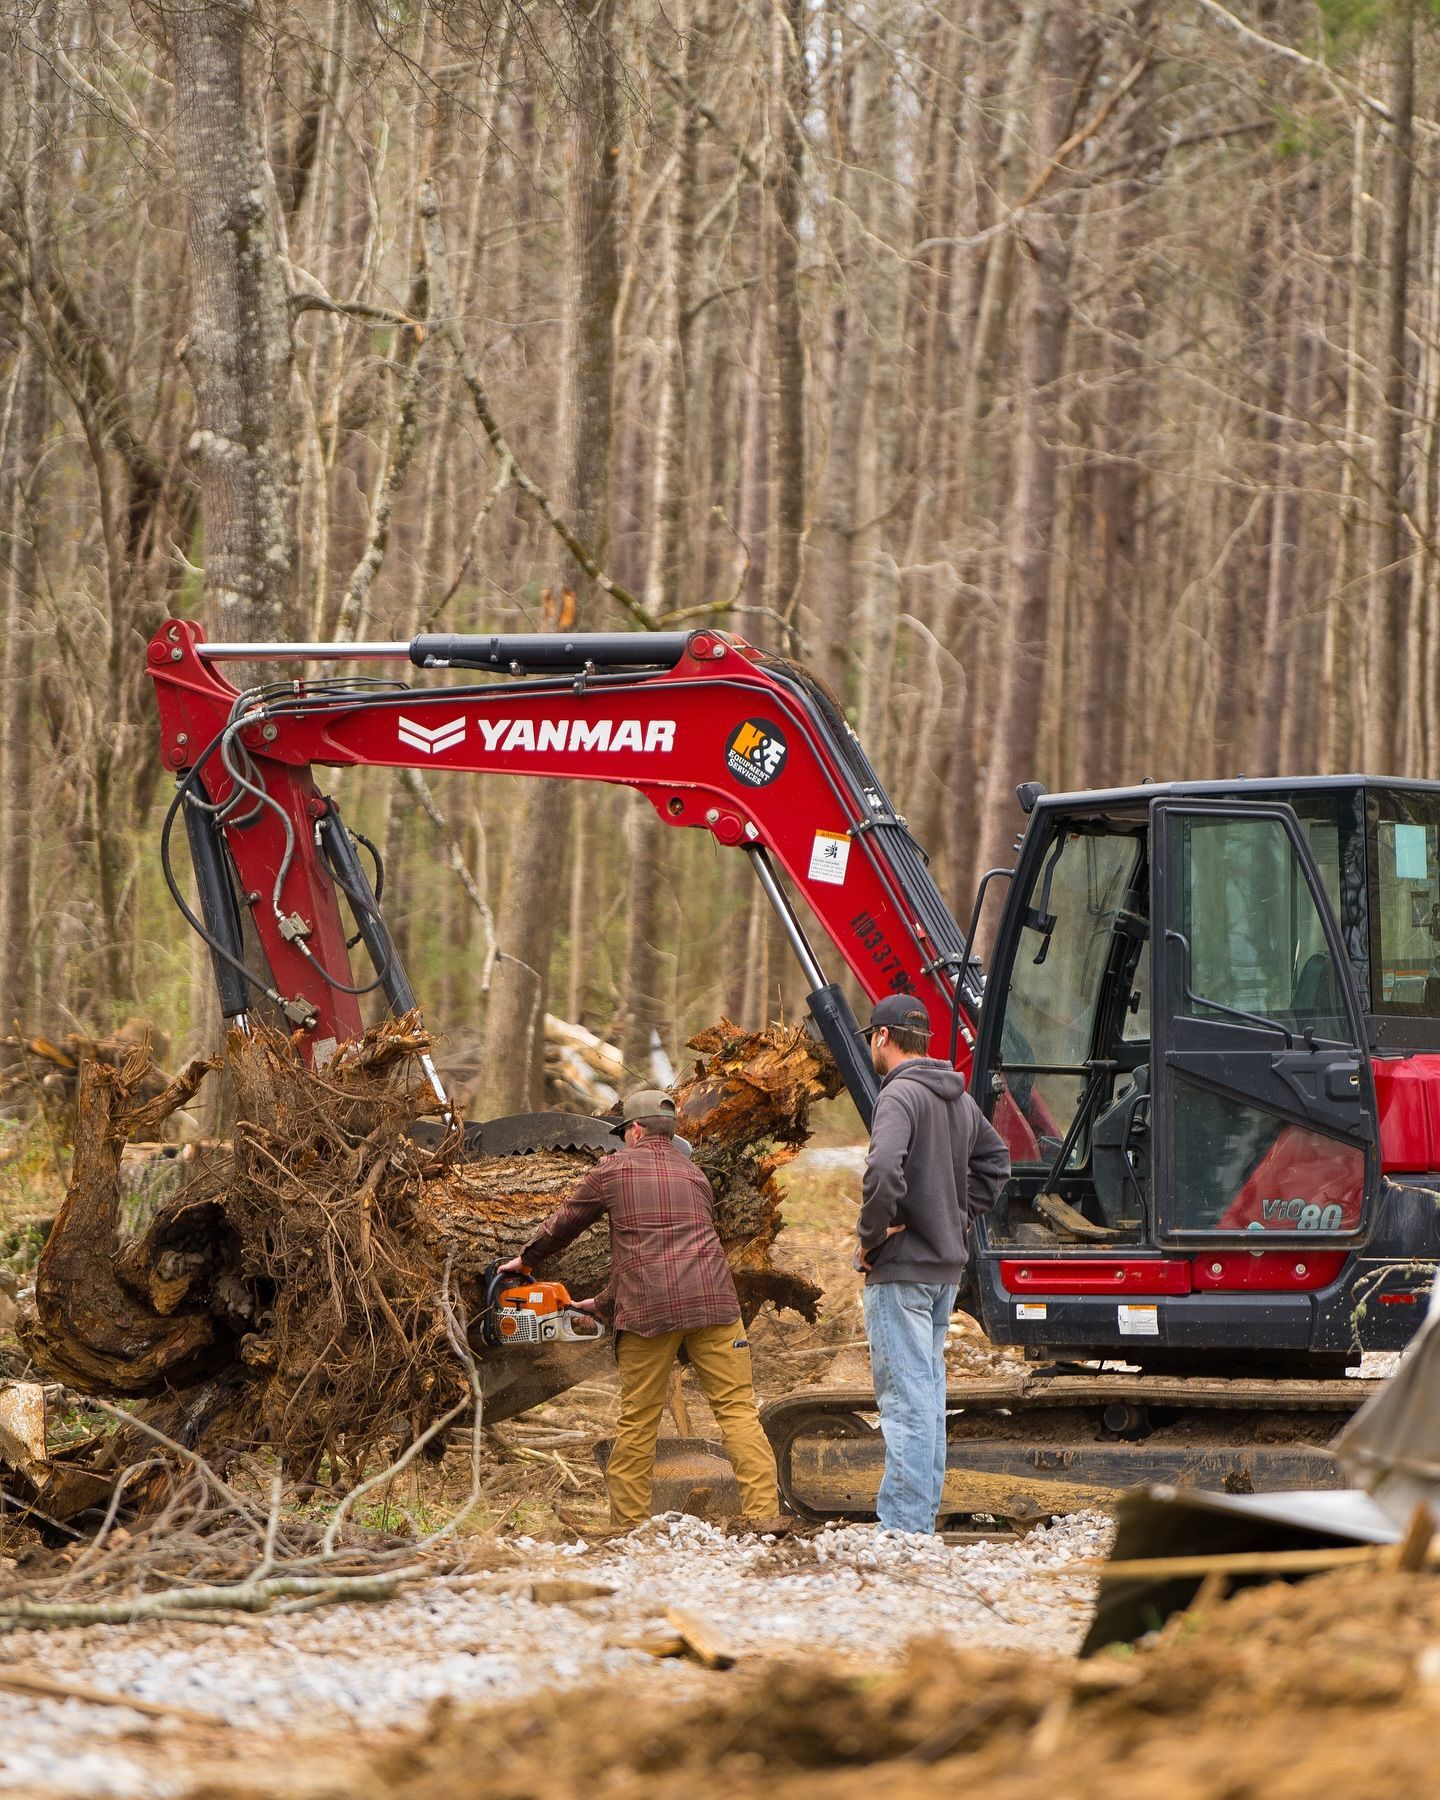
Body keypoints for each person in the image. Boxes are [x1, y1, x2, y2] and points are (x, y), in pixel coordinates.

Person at [498, 1087, 779, 1530]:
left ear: (633, 1130)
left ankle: (626, 1527)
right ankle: (764, 1520)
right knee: (739, 1413)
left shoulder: (613, 1169)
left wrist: (526, 1259)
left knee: (638, 1421)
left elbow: (567, 1220)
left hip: (650, 1312)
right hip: (716, 1306)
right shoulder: (694, 1175)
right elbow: (674, 1248)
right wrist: (605, 1301)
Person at [856, 995, 1011, 1535]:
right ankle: (916, 1521)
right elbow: (996, 1162)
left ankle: (904, 1531)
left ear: (882, 1037)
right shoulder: (957, 1098)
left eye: (870, 1038)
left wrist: (871, 1238)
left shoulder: (898, 1095)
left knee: (906, 1404)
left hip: (901, 1270)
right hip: (942, 1272)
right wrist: (954, 1218)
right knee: (927, 1398)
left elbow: (881, 1170)